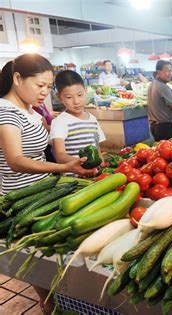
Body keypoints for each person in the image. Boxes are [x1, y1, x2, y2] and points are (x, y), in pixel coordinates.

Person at [0, 53, 94, 314]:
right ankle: (49, 304)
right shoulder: (5, 112)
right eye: (39, 85)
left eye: (48, 87)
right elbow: (16, 160)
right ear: (17, 78)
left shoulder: (29, 109)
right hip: (22, 199)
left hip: (44, 189)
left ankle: (63, 300)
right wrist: (63, 167)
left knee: (50, 251)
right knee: (38, 258)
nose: (45, 92)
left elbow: (41, 149)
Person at [50, 70, 106, 174]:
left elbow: (97, 149)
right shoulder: (60, 122)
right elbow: (59, 155)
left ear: (85, 91)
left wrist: (102, 165)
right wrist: (83, 162)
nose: (76, 101)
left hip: (94, 175)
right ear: (59, 97)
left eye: (80, 95)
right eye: (69, 97)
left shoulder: (92, 119)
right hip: (74, 179)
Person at [147, 60, 172, 141]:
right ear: (158, 72)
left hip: (154, 126)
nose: (169, 73)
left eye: (171, 70)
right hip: (164, 127)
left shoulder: (153, 84)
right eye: (166, 71)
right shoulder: (163, 87)